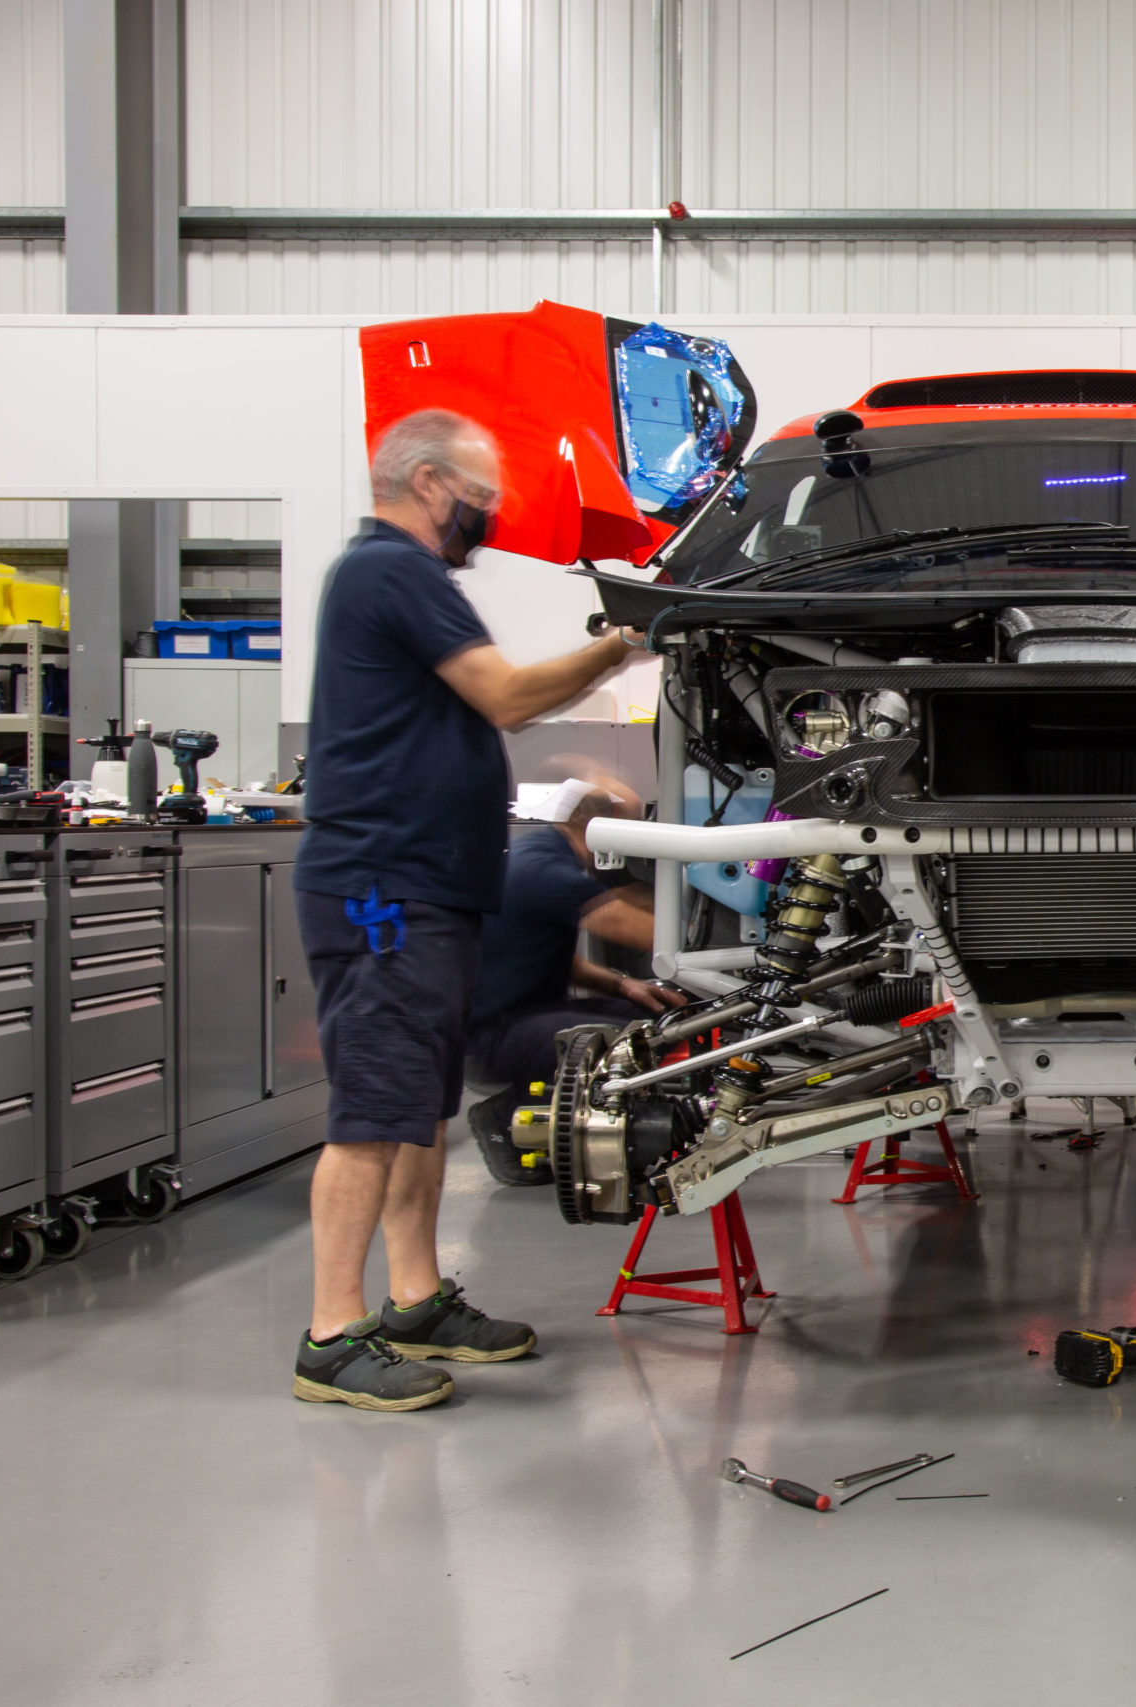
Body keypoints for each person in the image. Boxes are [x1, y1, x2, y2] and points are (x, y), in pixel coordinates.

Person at [292, 407, 641, 1412]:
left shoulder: (409, 582)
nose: (489, 515)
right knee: (370, 1113)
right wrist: (614, 649)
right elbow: (505, 698)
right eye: (483, 496)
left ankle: (412, 1299)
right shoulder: (389, 571)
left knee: (419, 1106)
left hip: (429, 889)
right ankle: (328, 1336)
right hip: (380, 890)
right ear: (431, 483)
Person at [462, 773, 688, 1184]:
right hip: (492, 1037)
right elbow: (634, 928)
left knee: (650, 1016)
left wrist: (622, 985)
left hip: (526, 1012)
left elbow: (555, 960)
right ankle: (503, 1115)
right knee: (626, 1041)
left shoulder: (543, 854)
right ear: (597, 826)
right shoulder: (545, 871)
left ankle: (589, 1124)